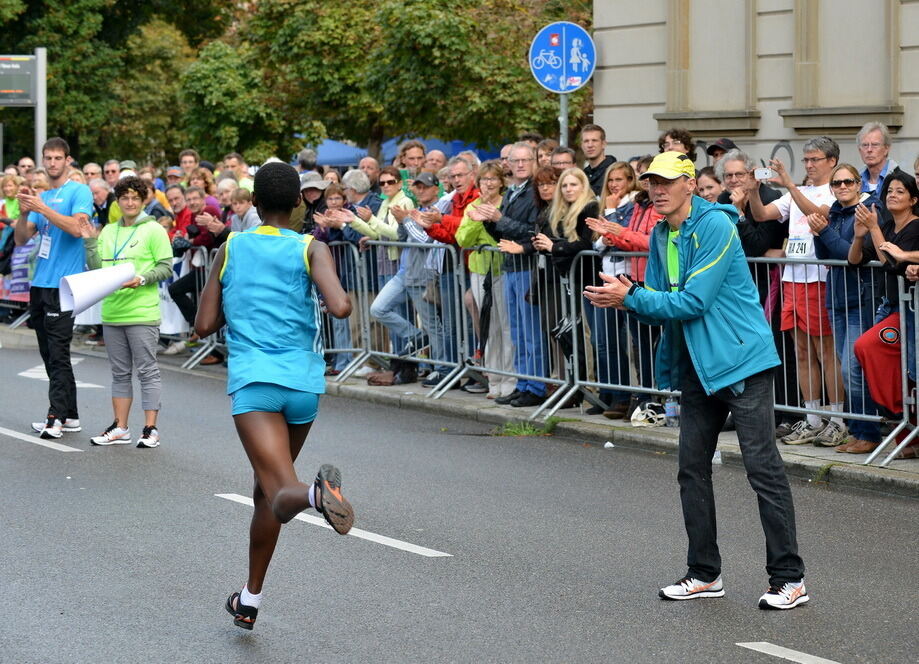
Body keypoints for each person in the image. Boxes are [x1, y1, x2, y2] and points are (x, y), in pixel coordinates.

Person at [584, 151, 808, 611]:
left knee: (763, 471)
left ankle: (790, 578)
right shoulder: (664, 233)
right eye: (651, 183)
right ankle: (704, 573)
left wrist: (633, 296)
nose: (657, 189)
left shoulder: (715, 226)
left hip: (740, 361)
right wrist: (628, 299)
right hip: (697, 366)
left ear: (690, 184)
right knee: (691, 470)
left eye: (666, 181)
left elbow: (692, 302)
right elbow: (665, 300)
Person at [193, 161, 354, 630]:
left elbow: (204, 325)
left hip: (256, 384)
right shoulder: (311, 247)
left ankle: (316, 493)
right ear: (299, 204)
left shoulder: (234, 246)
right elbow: (341, 306)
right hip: (303, 385)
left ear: (256, 204)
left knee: (283, 491)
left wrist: (240, 299)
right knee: (265, 491)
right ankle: (249, 599)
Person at [747, 136, 846, 447]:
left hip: (820, 280)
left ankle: (838, 419)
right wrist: (752, 193)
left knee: (826, 352)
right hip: (793, 280)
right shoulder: (797, 191)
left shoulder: (838, 190)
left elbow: (820, 214)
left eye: (815, 159)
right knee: (801, 351)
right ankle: (813, 418)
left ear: (831, 161)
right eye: (806, 160)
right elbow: (762, 214)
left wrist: (790, 185)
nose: (809, 165)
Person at [79, 176, 172, 448]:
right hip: (112, 312)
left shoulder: (153, 229)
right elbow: (98, 268)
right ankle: (120, 427)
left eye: (135, 198)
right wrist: (89, 241)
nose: (129, 202)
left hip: (142, 312)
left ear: (143, 201)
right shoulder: (108, 231)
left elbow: (166, 266)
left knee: (147, 371)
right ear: (118, 202)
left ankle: (150, 429)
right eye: (124, 198)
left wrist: (142, 279)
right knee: (119, 373)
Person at [15, 138, 93, 440]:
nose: (52, 163)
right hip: (40, 283)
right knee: (48, 352)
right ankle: (70, 414)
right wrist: (24, 212)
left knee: (59, 352)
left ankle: (55, 416)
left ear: (67, 160)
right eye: (47, 158)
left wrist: (43, 208)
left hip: (65, 285)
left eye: (58, 158)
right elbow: (22, 239)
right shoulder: (43, 195)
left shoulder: (78, 191)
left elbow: (77, 228)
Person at [810, 164, 880, 452]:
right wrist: (819, 233)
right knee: (846, 365)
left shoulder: (867, 209)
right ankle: (859, 429)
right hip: (836, 299)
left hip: (860, 299)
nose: (841, 187)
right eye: (836, 183)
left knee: (854, 368)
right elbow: (825, 255)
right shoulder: (835, 213)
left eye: (847, 181)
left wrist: (825, 231)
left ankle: (870, 433)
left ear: (858, 184)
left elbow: (851, 255)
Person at [850, 171, 919, 457]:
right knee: (900, 371)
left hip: (908, 309)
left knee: (869, 347)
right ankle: (907, 430)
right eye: (890, 190)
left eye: (900, 191)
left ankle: (898, 414)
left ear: (913, 199)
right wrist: (861, 233)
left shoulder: (915, 228)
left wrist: (875, 228)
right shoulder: (888, 226)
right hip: (888, 305)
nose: (892, 194)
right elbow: (857, 259)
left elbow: (893, 264)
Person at [484, 142, 547, 407]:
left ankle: (536, 386)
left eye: (525, 160)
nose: (520, 165)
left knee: (531, 332)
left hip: (528, 266)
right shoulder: (511, 191)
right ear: (507, 163)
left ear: (534, 161)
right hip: (510, 266)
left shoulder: (536, 192)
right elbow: (503, 234)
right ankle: (522, 382)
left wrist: (500, 218)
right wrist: (488, 220)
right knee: (517, 332)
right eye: (515, 160)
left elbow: (531, 232)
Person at [584, 162, 641, 417]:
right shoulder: (606, 205)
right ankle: (610, 392)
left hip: (628, 275)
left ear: (631, 180)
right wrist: (606, 236)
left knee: (633, 339)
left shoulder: (632, 204)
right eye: (611, 180)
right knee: (603, 338)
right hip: (607, 273)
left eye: (620, 179)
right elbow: (598, 243)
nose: (615, 185)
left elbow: (623, 237)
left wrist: (611, 217)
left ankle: (630, 395)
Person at [456, 160, 516, 399]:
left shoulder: (506, 203)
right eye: (484, 179)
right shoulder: (473, 205)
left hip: (503, 270)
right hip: (480, 271)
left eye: (493, 179)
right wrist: (476, 219)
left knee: (506, 327)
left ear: (501, 182)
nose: (489, 183)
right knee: (488, 327)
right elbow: (463, 239)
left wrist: (492, 217)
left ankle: (510, 381)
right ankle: (494, 379)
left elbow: (506, 232)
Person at [856, 122, 898, 196]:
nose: (869, 149)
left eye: (875, 145)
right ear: (860, 150)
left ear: (886, 149)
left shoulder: (900, 180)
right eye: (865, 145)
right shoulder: (854, 181)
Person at [580, 124, 616, 195]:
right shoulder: (583, 175)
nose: (590, 145)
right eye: (586, 141)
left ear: (603, 144)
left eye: (594, 140)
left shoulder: (614, 171)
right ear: (582, 145)